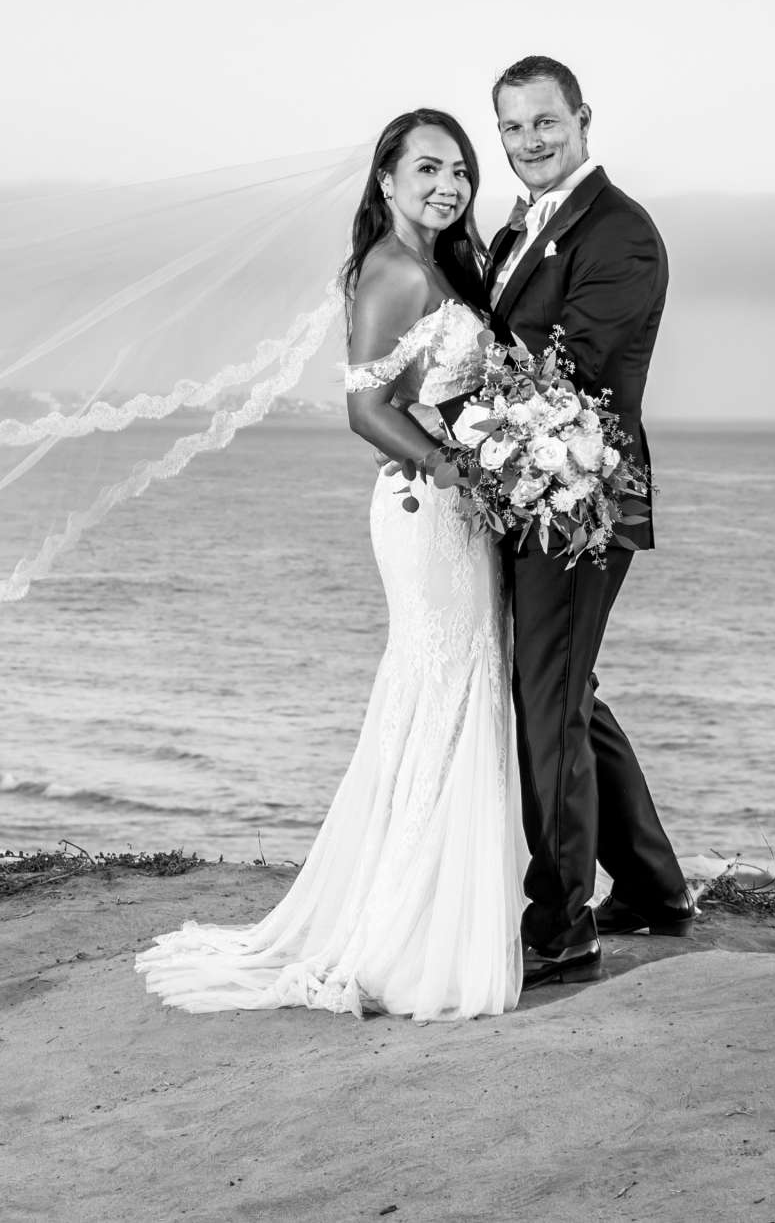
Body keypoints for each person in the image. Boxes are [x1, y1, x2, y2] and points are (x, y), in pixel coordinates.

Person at [135, 108, 528, 1020]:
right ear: (385, 180)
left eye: (461, 170)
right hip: (429, 511)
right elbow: (364, 407)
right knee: (439, 691)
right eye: (427, 168)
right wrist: (457, 470)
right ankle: (397, 930)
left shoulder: (439, 266)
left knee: (455, 691)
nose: (448, 184)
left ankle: (439, 906)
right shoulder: (392, 271)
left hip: (454, 508)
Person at [481, 54, 694, 986]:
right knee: (565, 692)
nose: (530, 141)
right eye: (514, 128)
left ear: (583, 119)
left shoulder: (621, 234)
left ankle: (560, 924)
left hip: (581, 500)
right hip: (523, 495)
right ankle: (651, 888)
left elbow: (570, 376)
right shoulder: (510, 233)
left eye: (545, 123)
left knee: (550, 702)